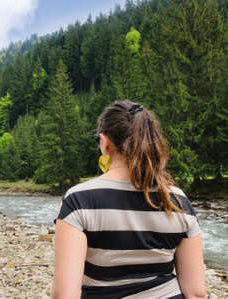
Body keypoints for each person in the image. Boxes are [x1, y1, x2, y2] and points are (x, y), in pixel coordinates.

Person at [51, 100, 206, 299]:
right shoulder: (178, 200)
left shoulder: (79, 200)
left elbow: (65, 295)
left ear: (104, 142)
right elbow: (196, 292)